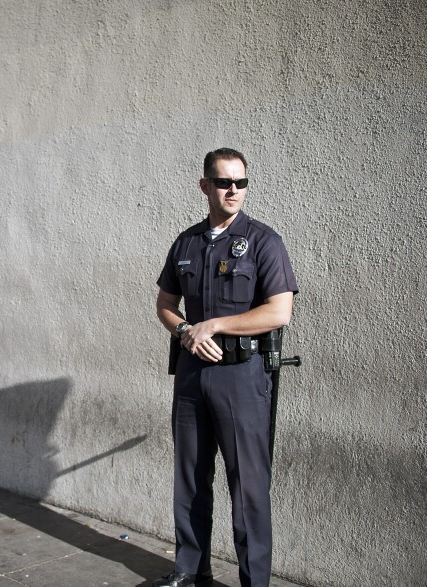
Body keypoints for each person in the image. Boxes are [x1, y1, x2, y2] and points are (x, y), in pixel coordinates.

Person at [153, 149, 298, 587]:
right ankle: (190, 571)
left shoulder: (263, 242)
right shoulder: (186, 243)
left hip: (242, 376)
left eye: (241, 183)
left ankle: (254, 582)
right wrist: (184, 332)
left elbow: (279, 311)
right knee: (191, 478)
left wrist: (214, 324)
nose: (233, 190)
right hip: (194, 375)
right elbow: (165, 304)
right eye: (223, 182)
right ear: (205, 187)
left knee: (248, 488)